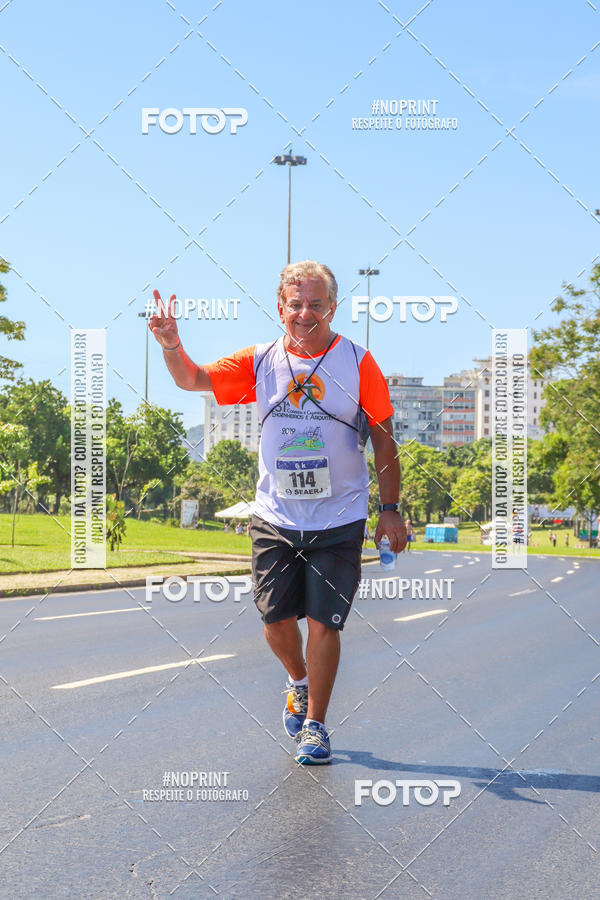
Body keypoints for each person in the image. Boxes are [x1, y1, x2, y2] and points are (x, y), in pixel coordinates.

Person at [149, 260, 406, 765]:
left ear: (332, 307)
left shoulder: (358, 362)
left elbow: (383, 436)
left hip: (340, 515)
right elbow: (192, 380)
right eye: (296, 304)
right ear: (280, 306)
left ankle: (315, 727)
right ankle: (298, 680)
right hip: (275, 516)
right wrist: (170, 345)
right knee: (276, 619)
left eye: (315, 304)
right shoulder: (261, 360)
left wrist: (391, 510)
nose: (304, 313)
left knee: (325, 622)